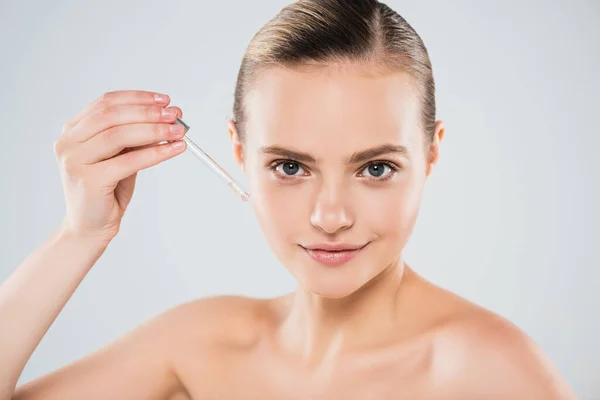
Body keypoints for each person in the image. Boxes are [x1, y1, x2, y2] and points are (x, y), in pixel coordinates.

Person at [0, 0, 577, 399]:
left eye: (376, 168)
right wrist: (79, 235)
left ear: (431, 153)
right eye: (290, 166)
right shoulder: (199, 345)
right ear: (238, 151)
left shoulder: (490, 370)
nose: (331, 217)